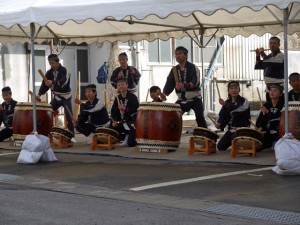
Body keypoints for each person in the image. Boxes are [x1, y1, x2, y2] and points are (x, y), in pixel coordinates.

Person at [162, 46, 207, 128]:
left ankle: (205, 136)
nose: (177, 56)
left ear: (186, 55)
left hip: (195, 99)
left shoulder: (193, 67)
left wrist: (184, 85)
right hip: (182, 99)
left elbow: (195, 82)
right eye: (176, 54)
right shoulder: (174, 70)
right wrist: (164, 93)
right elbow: (169, 83)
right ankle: (174, 135)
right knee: (172, 116)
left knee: (200, 117)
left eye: (180, 53)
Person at [37, 54, 76, 142]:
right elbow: (44, 84)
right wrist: (39, 94)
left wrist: (53, 82)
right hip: (57, 97)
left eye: (53, 63)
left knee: (69, 115)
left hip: (66, 97)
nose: (51, 65)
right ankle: (46, 133)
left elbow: (64, 81)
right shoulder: (49, 72)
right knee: (48, 112)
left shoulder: (64, 70)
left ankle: (72, 135)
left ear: (58, 62)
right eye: (50, 63)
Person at [215, 81, 251, 151]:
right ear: (228, 90)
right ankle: (236, 142)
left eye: (236, 88)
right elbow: (222, 116)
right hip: (231, 130)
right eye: (231, 88)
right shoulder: (227, 102)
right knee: (220, 147)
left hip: (242, 129)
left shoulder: (244, 101)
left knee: (234, 138)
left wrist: (225, 105)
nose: (234, 90)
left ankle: (241, 142)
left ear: (239, 90)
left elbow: (238, 110)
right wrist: (220, 123)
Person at [254, 36, 284, 102]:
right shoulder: (270, 56)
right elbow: (259, 65)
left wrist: (262, 53)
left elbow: (268, 62)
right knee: (270, 107)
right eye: (270, 43)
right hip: (269, 88)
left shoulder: (280, 55)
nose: (272, 45)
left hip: (277, 87)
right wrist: (258, 55)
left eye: (274, 43)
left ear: (279, 45)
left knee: (278, 108)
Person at [111, 79, 139, 147]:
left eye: (123, 84)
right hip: (121, 122)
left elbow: (136, 109)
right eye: (119, 85)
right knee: (111, 128)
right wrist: (114, 120)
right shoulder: (117, 98)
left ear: (127, 85)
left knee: (131, 144)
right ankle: (126, 136)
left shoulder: (133, 97)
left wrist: (125, 108)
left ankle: (130, 136)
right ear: (117, 87)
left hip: (131, 123)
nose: (121, 86)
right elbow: (113, 111)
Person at [256, 84, 284, 150]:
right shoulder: (266, 104)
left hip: (278, 132)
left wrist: (268, 112)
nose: (272, 92)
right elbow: (261, 118)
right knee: (257, 146)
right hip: (267, 131)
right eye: (271, 90)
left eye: (275, 91)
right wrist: (260, 127)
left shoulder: (283, 105)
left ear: (280, 94)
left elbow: (280, 117)